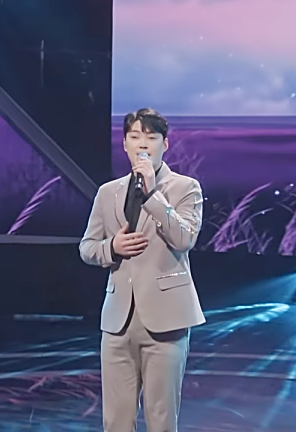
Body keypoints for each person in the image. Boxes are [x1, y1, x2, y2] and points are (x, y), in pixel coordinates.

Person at [79, 108, 206, 432]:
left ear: (165, 144)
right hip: (118, 321)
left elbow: (184, 238)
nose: (143, 145)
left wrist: (152, 193)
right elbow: (87, 247)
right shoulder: (108, 192)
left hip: (166, 319)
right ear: (125, 144)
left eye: (151, 137)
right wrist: (112, 247)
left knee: (161, 419)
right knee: (116, 421)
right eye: (135, 137)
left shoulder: (186, 187)